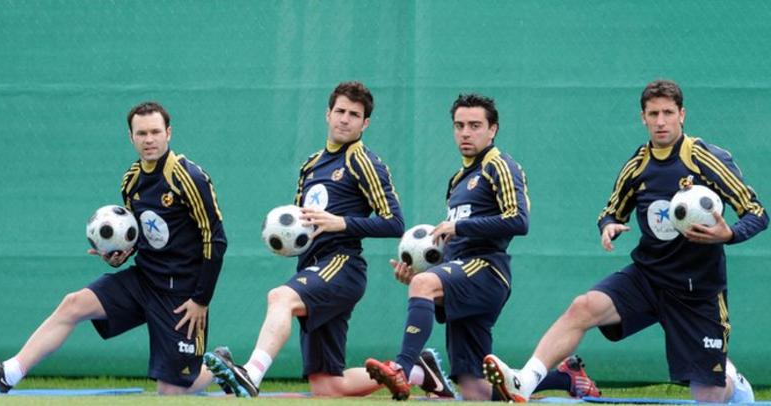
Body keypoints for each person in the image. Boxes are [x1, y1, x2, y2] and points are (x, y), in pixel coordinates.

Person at [484, 79, 767, 403]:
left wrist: (728, 234)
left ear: (682, 115)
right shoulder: (638, 166)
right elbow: (611, 210)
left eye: (668, 113)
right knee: (583, 307)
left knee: (709, 393)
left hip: (697, 290)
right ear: (643, 117)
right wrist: (609, 225)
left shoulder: (707, 159)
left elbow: (757, 212)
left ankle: (734, 382)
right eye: (653, 113)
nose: (661, 121)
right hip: (648, 278)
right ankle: (525, 380)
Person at [364, 94, 601, 401]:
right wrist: (424, 279)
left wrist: (455, 233)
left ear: (493, 130)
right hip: (464, 271)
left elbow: (518, 220)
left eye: (475, 125)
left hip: (487, 269)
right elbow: (457, 247)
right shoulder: (459, 179)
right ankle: (566, 378)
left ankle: (403, 368)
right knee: (475, 388)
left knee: (425, 284)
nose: (466, 132)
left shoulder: (500, 166)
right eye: (459, 125)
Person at [0, 101, 228, 395]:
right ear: (131, 137)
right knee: (73, 304)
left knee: (170, 393)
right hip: (144, 279)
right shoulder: (131, 180)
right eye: (141, 133)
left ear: (168, 133)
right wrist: (119, 254)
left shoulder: (189, 177)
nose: (149, 139)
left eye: (155, 132)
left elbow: (215, 238)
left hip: (182, 295)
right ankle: (8, 374)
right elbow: (139, 235)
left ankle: (217, 367)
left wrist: (201, 299)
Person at [205, 81, 408, 397]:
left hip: (342, 264)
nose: (345, 119)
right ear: (327, 114)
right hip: (313, 266)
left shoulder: (363, 161)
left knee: (280, 297)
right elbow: (302, 224)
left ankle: (251, 374)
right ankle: (413, 371)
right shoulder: (310, 166)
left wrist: (340, 223)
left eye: (354, 114)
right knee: (327, 385)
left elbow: (395, 223)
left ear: (365, 123)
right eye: (340, 111)